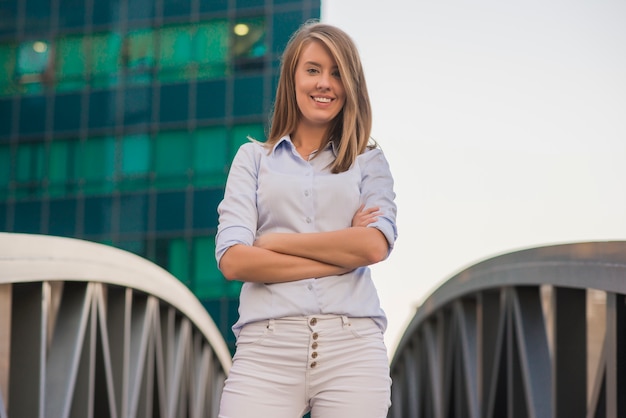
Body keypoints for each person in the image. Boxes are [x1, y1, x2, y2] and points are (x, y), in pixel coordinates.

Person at [215, 20, 397, 418]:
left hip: (352, 347)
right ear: (293, 79)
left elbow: (373, 246)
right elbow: (234, 260)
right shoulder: (253, 160)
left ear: (351, 86)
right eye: (313, 70)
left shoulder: (368, 160)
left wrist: (275, 243)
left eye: (337, 73)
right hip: (266, 349)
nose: (324, 83)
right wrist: (343, 249)